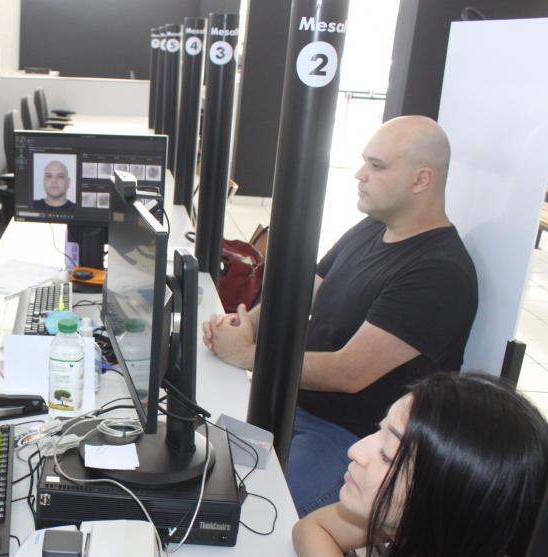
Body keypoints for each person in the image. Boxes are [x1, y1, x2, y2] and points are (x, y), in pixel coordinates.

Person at [203, 116, 478, 517]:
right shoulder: (372, 228)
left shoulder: (440, 273)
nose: (360, 174)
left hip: (354, 438)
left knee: (248, 513)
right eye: (365, 161)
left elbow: (348, 373)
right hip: (293, 406)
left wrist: (247, 354)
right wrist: (248, 322)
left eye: (377, 166)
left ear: (421, 180)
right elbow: (299, 293)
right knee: (198, 470)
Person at [293, 373, 548, 557]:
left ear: (446, 499)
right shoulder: (422, 529)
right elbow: (312, 528)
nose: (357, 451)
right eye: (380, 430)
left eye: (388, 456)